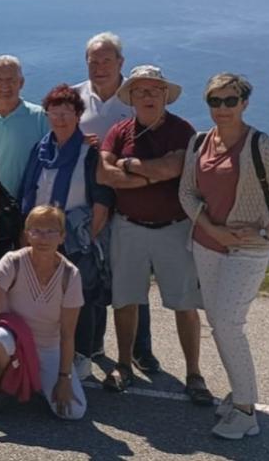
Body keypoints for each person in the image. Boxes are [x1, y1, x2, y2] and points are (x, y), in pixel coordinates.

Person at [178, 73, 269, 439]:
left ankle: (245, 411)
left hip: (248, 250)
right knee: (220, 323)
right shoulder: (199, 143)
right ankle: (240, 393)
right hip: (208, 243)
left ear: (244, 103)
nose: (222, 109)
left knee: (228, 325)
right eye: (215, 101)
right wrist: (212, 228)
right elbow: (187, 194)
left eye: (230, 101)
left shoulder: (260, 145)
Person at [98, 65, 209, 405]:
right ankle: (123, 365)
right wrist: (151, 174)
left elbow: (173, 168)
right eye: (141, 91)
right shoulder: (119, 131)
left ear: (165, 95)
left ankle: (194, 374)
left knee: (184, 303)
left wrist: (130, 166)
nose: (147, 96)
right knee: (126, 300)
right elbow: (105, 174)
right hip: (128, 227)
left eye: (154, 90)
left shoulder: (182, 131)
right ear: (131, 97)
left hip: (173, 229)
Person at [17, 84, 114, 381]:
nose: (60, 119)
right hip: (42, 234)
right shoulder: (41, 149)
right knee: (45, 295)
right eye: (54, 113)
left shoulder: (89, 151)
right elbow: (29, 191)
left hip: (76, 236)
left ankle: (82, 355)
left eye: (67, 112)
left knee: (79, 297)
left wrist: (90, 236)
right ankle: (49, 351)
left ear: (78, 114)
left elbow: (101, 199)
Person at [0, 205, 88, 421]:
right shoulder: (11, 262)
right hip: (15, 341)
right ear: (27, 235)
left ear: (62, 237)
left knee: (74, 412)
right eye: (36, 230)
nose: (43, 238)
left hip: (49, 348)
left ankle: (37, 380)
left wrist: (64, 378)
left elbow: (68, 334)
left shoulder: (70, 275)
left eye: (51, 231)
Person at [71, 31, 142, 365]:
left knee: (132, 280)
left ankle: (142, 351)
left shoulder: (136, 98)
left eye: (106, 60)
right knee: (91, 276)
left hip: (130, 204)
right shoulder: (73, 98)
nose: (99, 67)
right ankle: (95, 345)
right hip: (86, 205)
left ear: (121, 63)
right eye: (93, 61)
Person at [0, 55, 49, 265]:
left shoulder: (41, 117)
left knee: (32, 273)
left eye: (11, 80)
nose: (5, 86)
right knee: (0, 274)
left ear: (21, 83)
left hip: (32, 210)